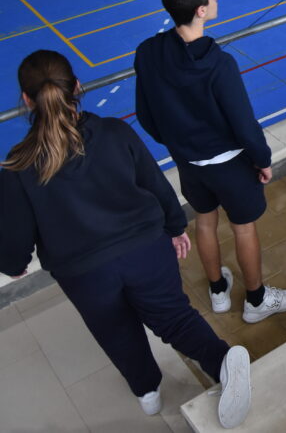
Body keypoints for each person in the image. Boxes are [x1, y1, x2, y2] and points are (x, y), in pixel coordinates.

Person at [0, 51, 252, 428]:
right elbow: (154, 184)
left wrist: (14, 263)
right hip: (146, 250)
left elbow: (14, 240)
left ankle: (147, 392)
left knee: (116, 332)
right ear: (78, 88)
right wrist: (173, 228)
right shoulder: (115, 131)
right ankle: (221, 362)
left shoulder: (17, 166)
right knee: (176, 318)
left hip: (84, 273)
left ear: (26, 101)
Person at [134, 0, 286, 325]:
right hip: (231, 165)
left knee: (205, 223)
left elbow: (146, 115)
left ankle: (218, 291)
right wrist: (262, 159)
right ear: (199, 10)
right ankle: (256, 299)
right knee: (243, 228)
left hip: (189, 164)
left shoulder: (148, 52)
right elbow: (244, 123)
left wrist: (179, 144)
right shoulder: (219, 65)